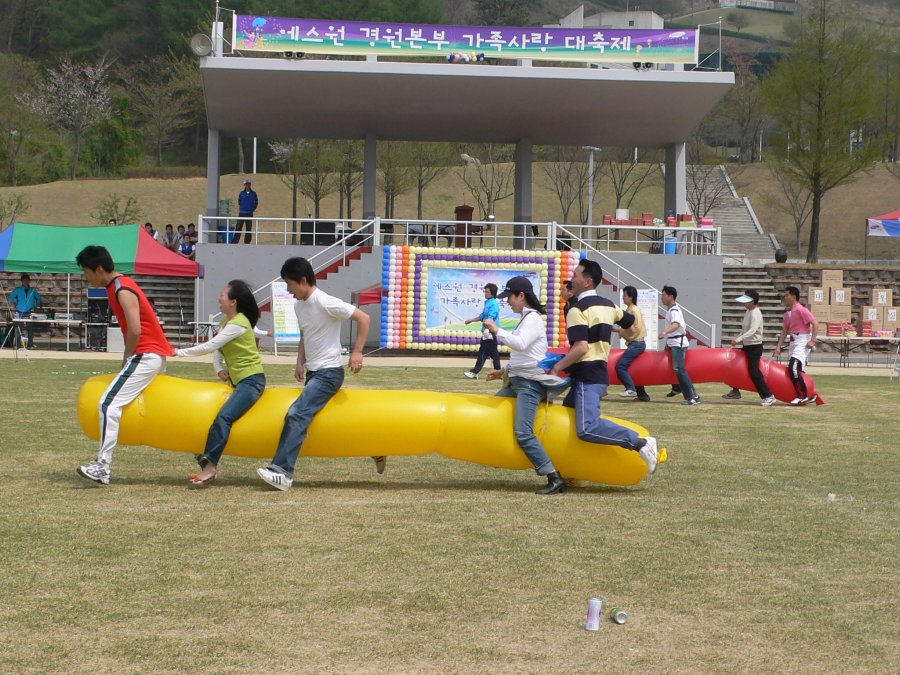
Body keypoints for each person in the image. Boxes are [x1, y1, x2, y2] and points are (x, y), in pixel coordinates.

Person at [257, 257, 384, 490]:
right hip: (313, 373)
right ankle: (376, 448)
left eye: (289, 284)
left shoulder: (325, 301)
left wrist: (357, 352)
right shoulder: (299, 306)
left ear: (303, 281)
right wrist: (299, 362)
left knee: (296, 414)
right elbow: (306, 335)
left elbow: (364, 318)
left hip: (330, 373)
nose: (288, 290)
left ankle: (282, 472)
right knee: (320, 423)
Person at [75, 245, 174, 485]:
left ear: (99, 269)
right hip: (150, 354)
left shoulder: (122, 288)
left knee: (108, 404)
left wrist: (127, 356)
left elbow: (136, 330)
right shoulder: (116, 286)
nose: (85, 277)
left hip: (146, 354)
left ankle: (103, 467)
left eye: (86, 271)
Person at [549, 259, 659, 475]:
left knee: (586, 428)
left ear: (588, 281)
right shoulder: (609, 304)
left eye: (576, 275)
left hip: (587, 376)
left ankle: (641, 443)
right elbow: (631, 324)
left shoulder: (577, 309)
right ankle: (572, 471)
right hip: (596, 374)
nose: (572, 279)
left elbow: (580, 348)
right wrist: (625, 336)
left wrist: (556, 368)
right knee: (568, 423)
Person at [174, 281, 267, 486]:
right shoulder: (226, 321)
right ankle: (205, 459)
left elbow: (211, 345)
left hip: (252, 382)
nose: (219, 297)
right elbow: (218, 351)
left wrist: (178, 352)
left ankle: (210, 468)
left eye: (222, 294)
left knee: (223, 418)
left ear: (233, 302)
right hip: (238, 382)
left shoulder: (239, 323)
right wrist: (219, 369)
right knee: (213, 418)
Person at [484, 277, 570, 494]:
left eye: (510, 297)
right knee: (493, 415)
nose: (508, 302)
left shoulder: (532, 319)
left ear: (521, 296)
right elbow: (526, 355)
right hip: (517, 381)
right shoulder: (525, 318)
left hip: (529, 385)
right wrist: (503, 371)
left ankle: (554, 476)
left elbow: (520, 344)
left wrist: (496, 329)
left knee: (523, 433)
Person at [723, 290, 776, 406]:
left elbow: (752, 330)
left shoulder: (755, 313)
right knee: (736, 366)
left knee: (754, 372)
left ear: (753, 302)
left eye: (747, 301)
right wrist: (737, 339)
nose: (744, 304)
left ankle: (768, 396)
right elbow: (744, 330)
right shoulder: (748, 311)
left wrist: (738, 339)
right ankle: (735, 391)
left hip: (754, 347)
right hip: (747, 345)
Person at [773, 286, 819, 406]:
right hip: (793, 341)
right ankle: (810, 394)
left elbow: (815, 323)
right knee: (797, 370)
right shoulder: (788, 314)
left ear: (793, 296)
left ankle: (802, 395)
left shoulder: (801, 310)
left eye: (787, 295)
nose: (785, 297)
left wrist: (812, 340)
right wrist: (778, 347)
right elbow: (784, 331)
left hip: (802, 340)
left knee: (793, 367)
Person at [660, 285, 701, 405]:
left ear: (671, 296)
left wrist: (665, 332)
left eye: (664, 295)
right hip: (674, 342)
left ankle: (693, 396)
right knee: (678, 370)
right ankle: (689, 395)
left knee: (680, 370)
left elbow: (676, 324)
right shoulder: (671, 310)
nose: (662, 297)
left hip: (678, 343)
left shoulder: (674, 310)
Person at [616, 285, 650, 402]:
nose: (623, 298)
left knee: (621, 366)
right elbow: (628, 328)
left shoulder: (634, 310)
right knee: (634, 368)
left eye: (625, 295)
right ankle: (642, 394)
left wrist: (629, 338)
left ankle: (630, 388)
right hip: (635, 343)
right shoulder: (630, 310)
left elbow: (636, 329)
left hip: (637, 343)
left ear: (630, 297)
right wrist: (618, 330)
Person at [463, 283, 501, 379]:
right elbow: (482, 316)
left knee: (483, 352)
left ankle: (474, 372)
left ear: (492, 293)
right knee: (493, 353)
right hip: (488, 331)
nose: (485, 293)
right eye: (485, 291)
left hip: (489, 331)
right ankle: (499, 372)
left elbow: (490, 318)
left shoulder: (494, 304)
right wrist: (471, 320)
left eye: (487, 291)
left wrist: (488, 329)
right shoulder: (488, 302)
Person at [8, 273, 42, 348]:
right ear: (22, 281)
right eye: (24, 280)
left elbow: (39, 300)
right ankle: (17, 345)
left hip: (30, 312)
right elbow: (10, 299)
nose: (26, 282)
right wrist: (15, 307)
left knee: (30, 329)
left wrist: (34, 306)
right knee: (19, 328)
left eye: (27, 280)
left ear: (29, 281)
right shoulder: (18, 290)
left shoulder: (33, 290)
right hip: (20, 311)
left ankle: (30, 345)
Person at [234, 180, 258, 244]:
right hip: (242, 212)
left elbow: (256, 202)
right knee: (238, 227)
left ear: (250, 185)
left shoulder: (254, 193)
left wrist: (252, 209)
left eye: (248, 184)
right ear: (244, 185)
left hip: (249, 213)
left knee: (248, 228)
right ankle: (235, 241)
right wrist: (242, 207)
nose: (247, 185)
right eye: (246, 184)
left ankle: (247, 242)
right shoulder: (241, 193)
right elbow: (239, 201)